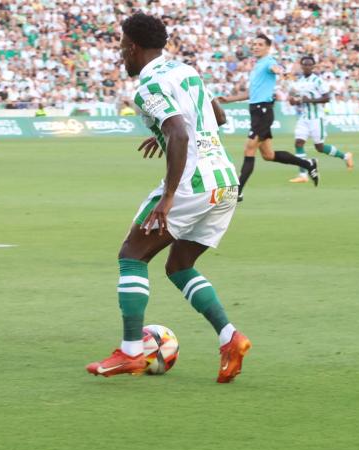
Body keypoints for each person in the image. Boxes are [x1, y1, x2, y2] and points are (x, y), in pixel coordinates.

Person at [85, 13, 251, 384]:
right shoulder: (185, 71)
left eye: (121, 47)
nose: (120, 55)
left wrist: (169, 196)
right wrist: (163, 134)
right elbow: (217, 117)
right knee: (179, 266)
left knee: (132, 255)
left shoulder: (147, 86)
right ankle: (230, 338)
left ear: (132, 46)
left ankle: (130, 353)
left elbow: (178, 133)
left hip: (192, 184)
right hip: (225, 181)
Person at [217, 34, 318, 201]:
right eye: (254, 44)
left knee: (249, 148)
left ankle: (238, 191)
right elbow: (252, 93)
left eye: (259, 44)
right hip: (256, 111)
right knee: (268, 155)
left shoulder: (268, 62)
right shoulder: (257, 65)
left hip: (263, 111)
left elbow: (276, 68)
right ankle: (308, 164)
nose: (255, 47)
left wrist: (281, 71)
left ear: (268, 47)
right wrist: (228, 99)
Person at [288, 56, 354, 183]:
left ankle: (345, 156)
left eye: (309, 65)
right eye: (304, 65)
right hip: (304, 117)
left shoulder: (317, 81)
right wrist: (293, 101)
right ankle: (303, 175)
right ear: (301, 66)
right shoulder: (299, 81)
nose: (307, 67)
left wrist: (310, 100)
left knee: (320, 147)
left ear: (313, 67)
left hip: (317, 118)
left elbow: (326, 98)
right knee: (298, 143)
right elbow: (296, 99)